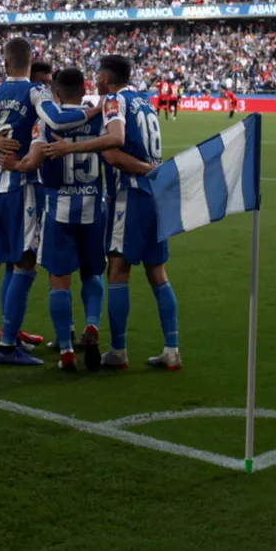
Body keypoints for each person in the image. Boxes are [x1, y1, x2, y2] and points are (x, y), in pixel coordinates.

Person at [0, 38, 91, 364]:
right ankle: (6, 345)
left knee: (0, 259)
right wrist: (102, 108)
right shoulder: (35, 93)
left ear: (5, 62)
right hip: (24, 186)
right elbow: (59, 120)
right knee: (23, 262)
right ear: (30, 60)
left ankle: (1, 333)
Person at [8, 67, 113, 372]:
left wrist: (15, 165)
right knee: (93, 274)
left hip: (58, 209)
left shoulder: (46, 122)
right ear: (84, 88)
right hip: (94, 207)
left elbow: (33, 162)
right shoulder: (99, 118)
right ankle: (91, 326)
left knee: (59, 280)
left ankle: (66, 350)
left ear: (55, 91)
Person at [95, 53, 179, 370]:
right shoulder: (145, 101)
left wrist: (142, 169)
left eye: (97, 74)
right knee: (157, 272)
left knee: (117, 271)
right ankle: (172, 348)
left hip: (129, 195)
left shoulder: (115, 102)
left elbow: (114, 155)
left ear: (106, 78)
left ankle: (118, 350)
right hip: (155, 196)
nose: (95, 79)